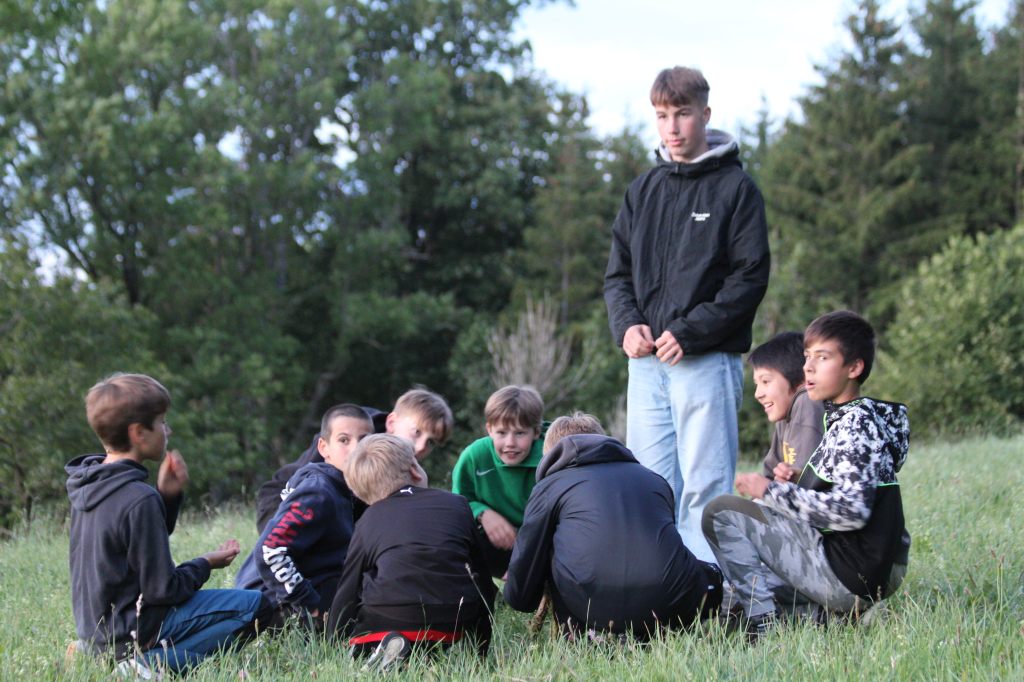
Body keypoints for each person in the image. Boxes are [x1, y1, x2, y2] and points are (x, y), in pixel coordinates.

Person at [603, 65, 770, 562]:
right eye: (661, 115)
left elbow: (749, 279)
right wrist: (626, 325)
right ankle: (661, 593)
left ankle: (710, 594)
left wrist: (690, 333)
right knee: (650, 488)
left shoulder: (737, 190)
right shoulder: (642, 191)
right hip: (646, 367)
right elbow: (617, 275)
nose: (672, 127)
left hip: (704, 361)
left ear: (705, 114)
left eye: (682, 114)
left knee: (705, 489)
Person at [702, 311, 910, 642]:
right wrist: (798, 481)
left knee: (721, 512)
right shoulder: (855, 419)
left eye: (822, 357)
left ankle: (763, 624)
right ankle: (820, 617)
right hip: (877, 571)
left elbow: (851, 512)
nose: (808, 367)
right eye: (807, 357)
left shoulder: (854, 424)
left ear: (854, 368)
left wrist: (771, 491)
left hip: (853, 577)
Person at [66, 373, 265, 675]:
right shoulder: (138, 498)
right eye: (161, 421)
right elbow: (163, 590)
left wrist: (167, 498)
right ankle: (144, 667)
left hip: (99, 633)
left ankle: (99, 658)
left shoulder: (89, 485)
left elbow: (135, 548)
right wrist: (205, 563)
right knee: (258, 607)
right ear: (138, 433)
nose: (167, 429)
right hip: (135, 630)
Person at [503, 415, 722, 640]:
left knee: (556, 544)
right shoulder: (654, 480)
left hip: (591, 607)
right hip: (673, 603)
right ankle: (655, 632)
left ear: (551, 454)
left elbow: (523, 577)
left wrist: (520, 596)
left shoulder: (550, 486)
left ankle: (575, 636)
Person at [327, 435, 496, 665]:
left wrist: (332, 644)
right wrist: (481, 650)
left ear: (363, 495)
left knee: (368, 586)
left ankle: (375, 650)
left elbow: (347, 589)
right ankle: (412, 653)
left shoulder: (368, 519)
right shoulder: (457, 504)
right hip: (453, 621)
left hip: (389, 618)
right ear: (415, 470)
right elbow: (481, 576)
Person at [235, 404, 374, 628]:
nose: (356, 448)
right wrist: (309, 605)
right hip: (268, 604)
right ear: (323, 447)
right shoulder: (319, 491)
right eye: (344, 440)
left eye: (364, 440)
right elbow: (271, 551)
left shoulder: (344, 490)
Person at [255, 387, 453, 532]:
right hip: (282, 500)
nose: (421, 446)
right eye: (416, 432)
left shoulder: (407, 469)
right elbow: (307, 481)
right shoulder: (351, 432)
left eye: (431, 443)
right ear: (392, 422)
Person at [451, 385, 545, 578]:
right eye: (501, 432)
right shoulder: (474, 455)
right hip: (495, 540)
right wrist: (482, 513)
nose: (510, 442)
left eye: (520, 433)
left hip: (540, 542)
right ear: (489, 430)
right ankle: (482, 588)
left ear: (536, 432)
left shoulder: (550, 456)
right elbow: (457, 502)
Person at [749, 331, 825, 478]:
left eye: (765, 381)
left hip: (804, 499)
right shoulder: (785, 414)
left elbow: (805, 483)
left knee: (722, 502)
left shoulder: (807, 402)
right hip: (787, 498)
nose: (758, 394)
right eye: (756, 384)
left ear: (801, 380)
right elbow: (769, 474)